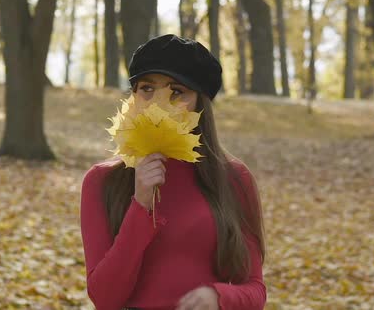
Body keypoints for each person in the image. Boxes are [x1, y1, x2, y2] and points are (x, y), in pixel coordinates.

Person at [80, 34, 267, 310]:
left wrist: (219, 297)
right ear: (133, 97)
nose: (158, 102)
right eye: (146, 88)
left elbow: (255, 290)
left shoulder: (233, 179)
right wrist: (140, 204)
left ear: (199, 105)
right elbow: (105, 299)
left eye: (176, 91)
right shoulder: (102, 181)